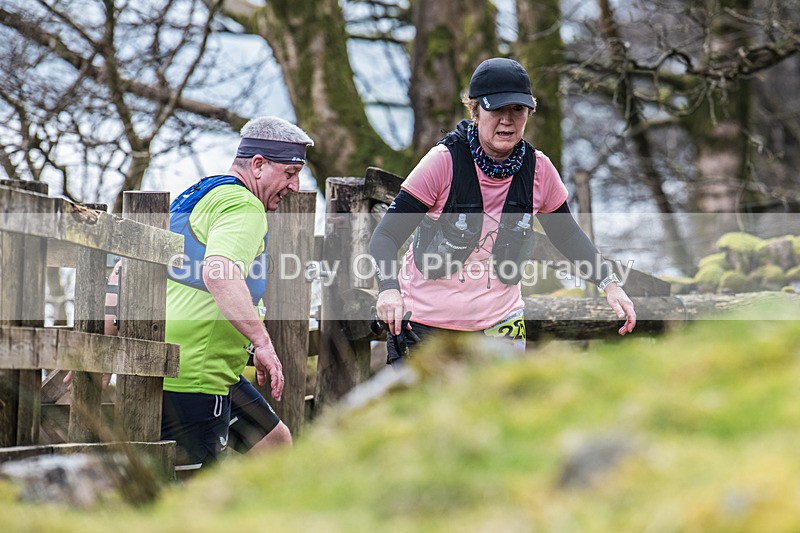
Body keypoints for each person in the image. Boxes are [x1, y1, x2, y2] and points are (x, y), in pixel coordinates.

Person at [72, 116, 313, 473]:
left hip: (195, 368)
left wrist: (106, 345)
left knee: (274, 442)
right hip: (194, 376)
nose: (295, 186)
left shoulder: (202, 193)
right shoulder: (244, 206)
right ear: (259, 165)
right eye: (290, 173)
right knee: (193, 484)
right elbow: (220, 274)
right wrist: (262, 342)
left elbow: (125, 269)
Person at [369, 58, 636, 364]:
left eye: (517, 110)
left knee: (500, 412)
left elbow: (567, 234)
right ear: (475, 110)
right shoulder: (443, 162)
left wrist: (610, 284)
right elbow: (386, 235)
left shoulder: (539, 170)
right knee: (428, 413)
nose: (507, 120)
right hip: (427, 325)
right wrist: (388, 290)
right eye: (497, 109)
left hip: (502, 323)